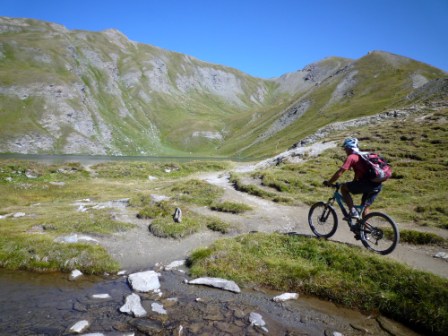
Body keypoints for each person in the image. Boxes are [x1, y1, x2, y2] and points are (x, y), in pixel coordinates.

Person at [323, 137, 382, 220]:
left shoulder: (351, 157)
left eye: (345, 148)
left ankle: (352, 211)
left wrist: (329, 182)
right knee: (364, 207)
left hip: (367, 184)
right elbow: (358, 174)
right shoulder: (363, 156)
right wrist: (353, 182)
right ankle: (364, 231)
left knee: (343, 188)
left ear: (349, 148)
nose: (345, 150)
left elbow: (340, 172)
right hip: (377, 184)